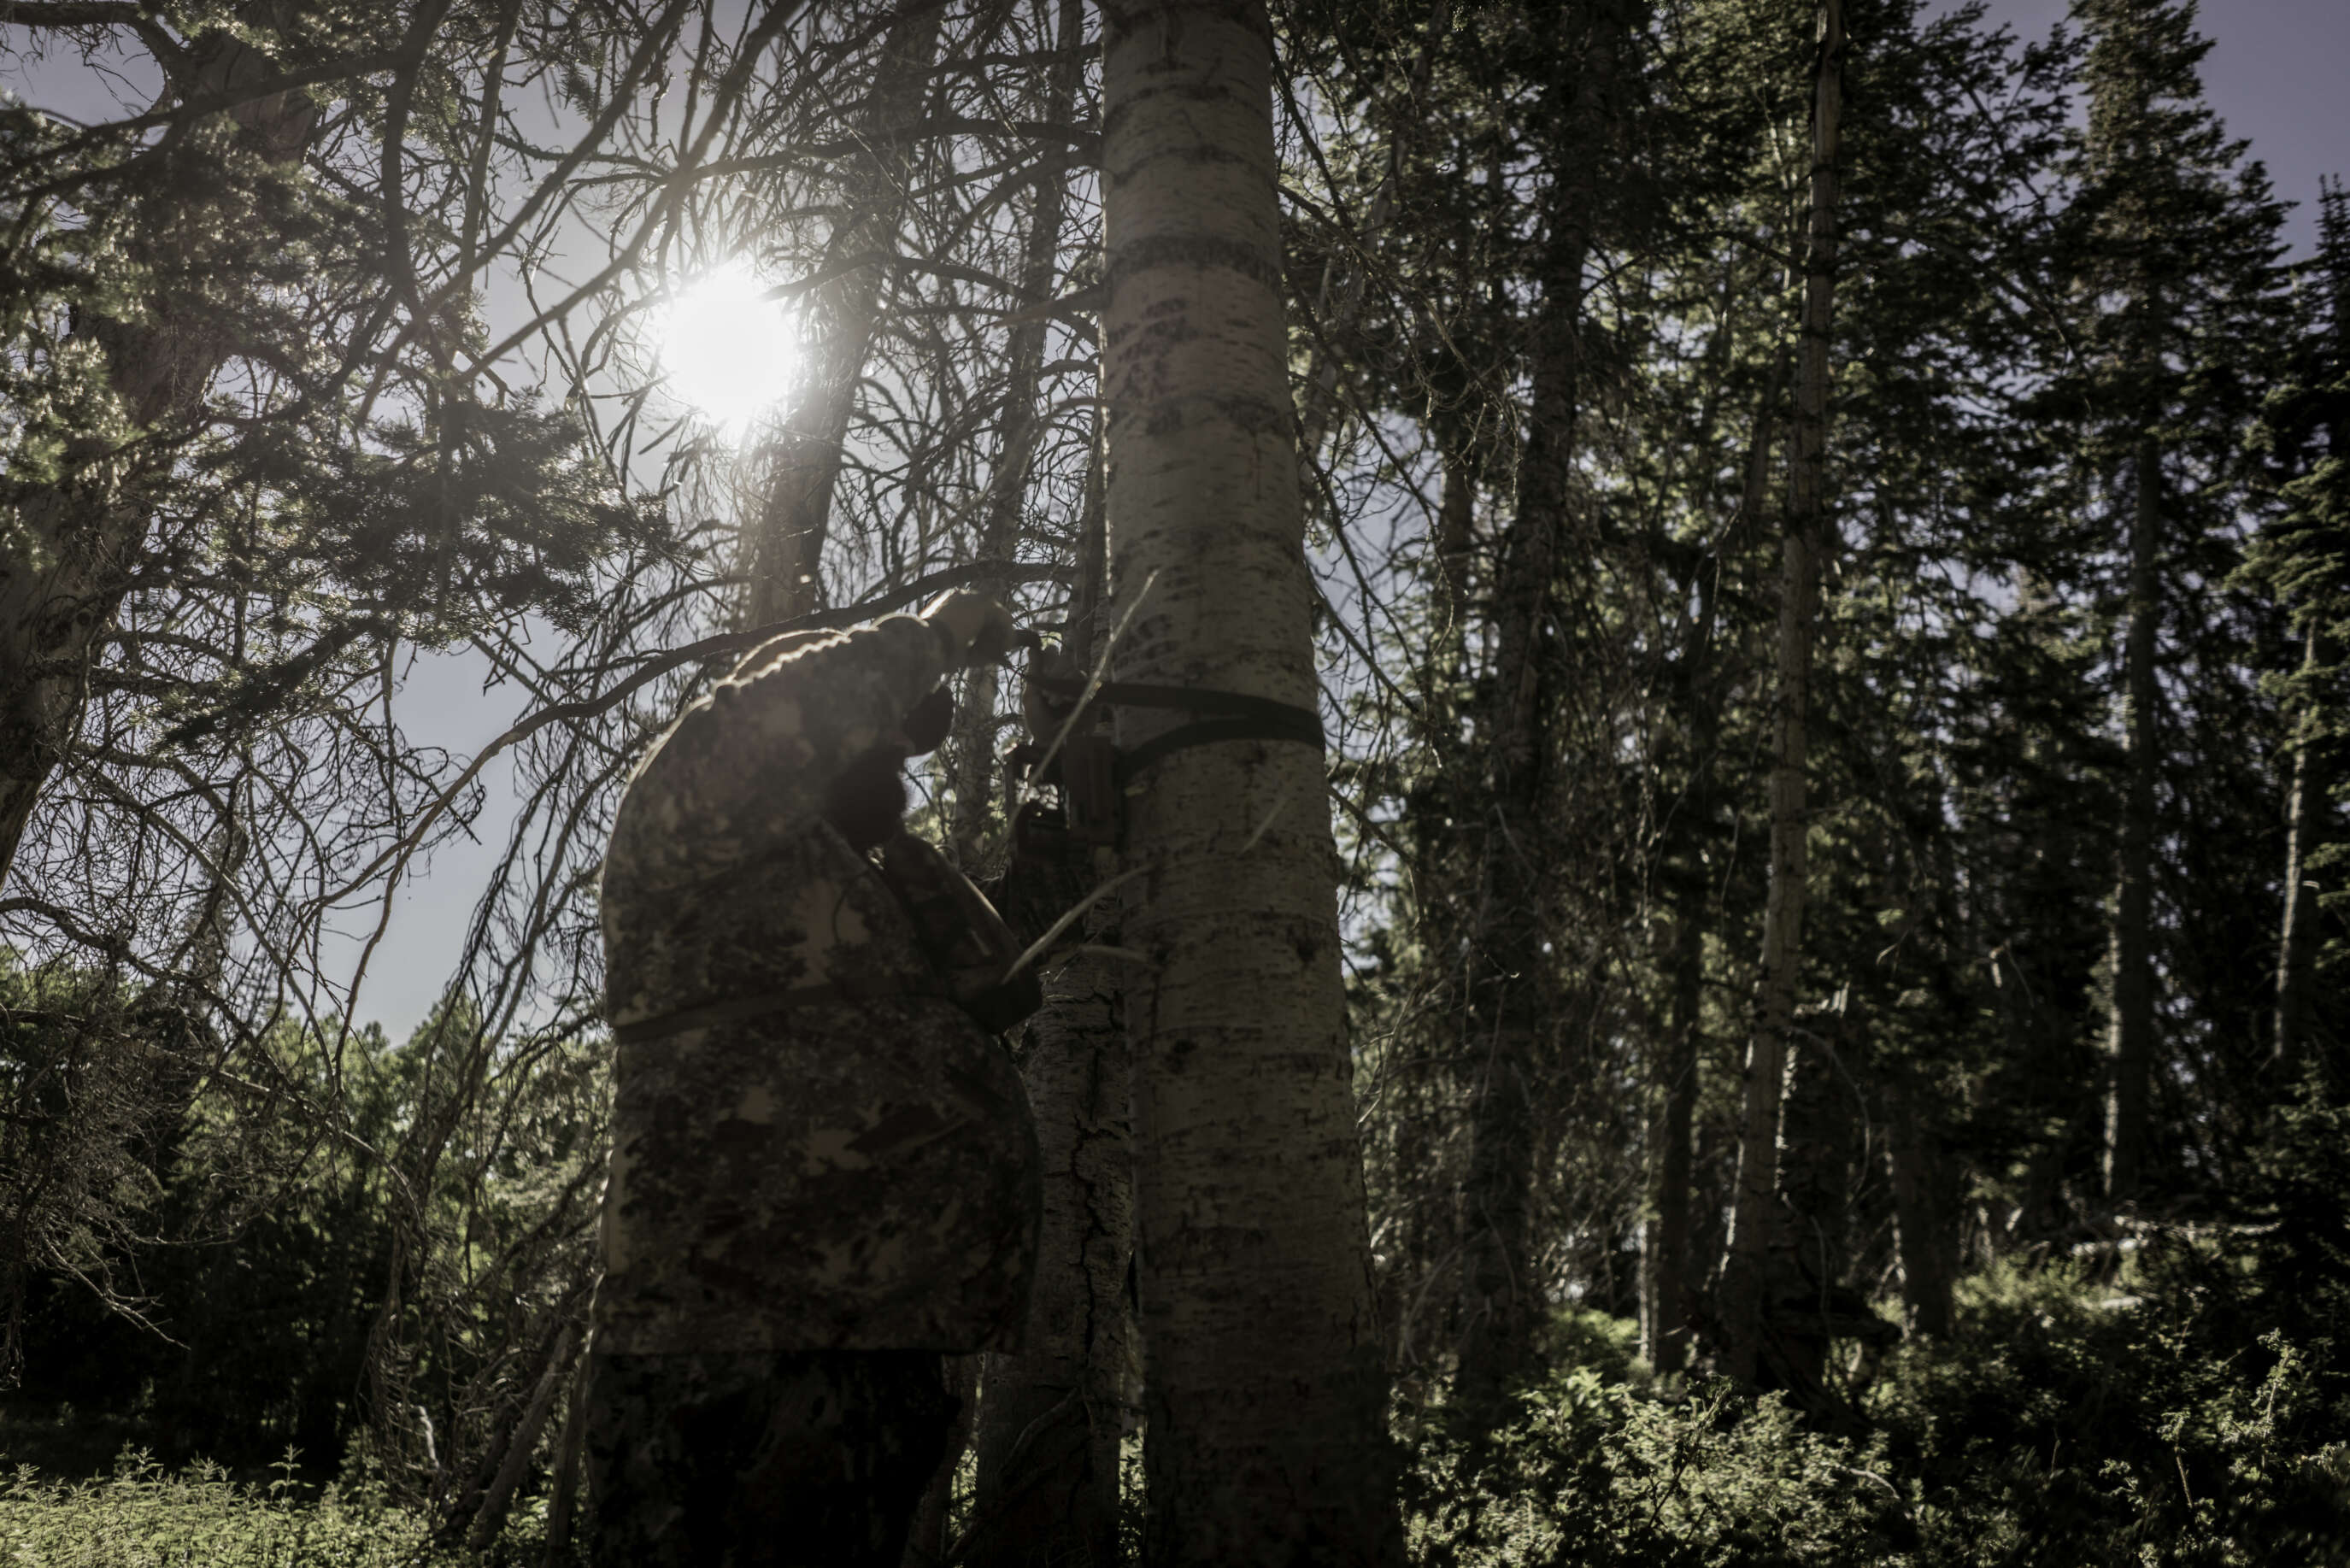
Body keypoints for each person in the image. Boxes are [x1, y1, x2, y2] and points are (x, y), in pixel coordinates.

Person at [587, 591, 1043, 1567]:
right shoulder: (687, 821)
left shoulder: (874, 880)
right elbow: (779, 715)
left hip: (884, 1337)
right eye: (874, 741)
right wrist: (937, 631)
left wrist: (1056, 825)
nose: (893, 766)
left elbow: (973, 999)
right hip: (720, 1339)